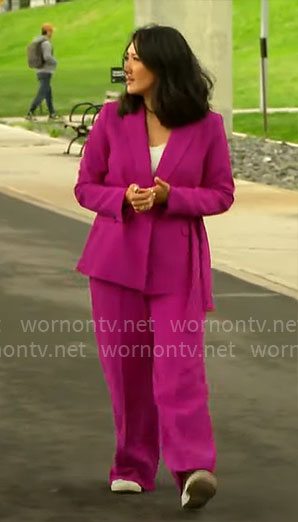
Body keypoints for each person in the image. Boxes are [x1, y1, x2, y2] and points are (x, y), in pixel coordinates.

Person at [73, 24, 235, 510]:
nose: (128, 65)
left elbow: (222, 194)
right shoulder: (109, 118)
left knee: (179, 369)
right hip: (114, 261)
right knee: (126, 370)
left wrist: (173, 197)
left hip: (177, 265)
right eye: (126, 56)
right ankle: (132, 465)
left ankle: (193, 469)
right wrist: (121, 197)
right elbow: (86, 186)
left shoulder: (206, 126)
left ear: (164, 65)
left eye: (137, 58)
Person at [26, 22, 60, 121]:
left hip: (39, 70)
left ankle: (52, 113)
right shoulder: (46, 43)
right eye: (51, 31)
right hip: (46, 71)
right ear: (47, 32)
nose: (52, 33)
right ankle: (30, 113)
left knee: (48, 92)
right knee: (42, 93)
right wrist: (55, 61)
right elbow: (47, 57)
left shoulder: (38, 41)